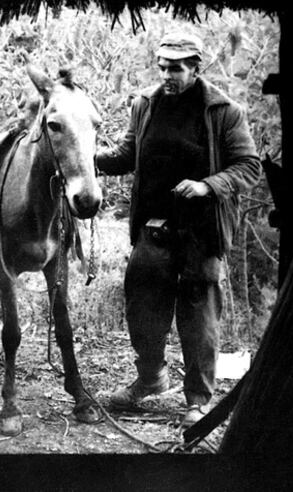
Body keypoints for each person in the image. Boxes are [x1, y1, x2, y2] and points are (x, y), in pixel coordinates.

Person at [96, 30, 261, 428]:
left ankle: (199, 400)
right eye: (162, 67)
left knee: (198, 318)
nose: (166, 75)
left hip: (201, 234)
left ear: (195, 69)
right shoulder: (146, 104)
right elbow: (126, 154)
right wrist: (87, 157)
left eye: (175, 69)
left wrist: (207, 186)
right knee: (143, 307)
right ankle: (151, 379)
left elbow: (249, 167)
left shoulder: (223, 111)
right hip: (153, 229)